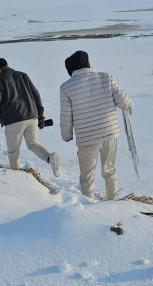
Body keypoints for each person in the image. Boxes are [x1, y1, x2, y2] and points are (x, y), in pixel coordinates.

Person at [59, 51, 133, 199]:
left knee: (87, 177)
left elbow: (66, 116)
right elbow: (123, 101)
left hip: (87, 137)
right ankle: (113, 199)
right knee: (109, 170)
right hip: (109, 133)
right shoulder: (106, 78)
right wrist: (129, 107)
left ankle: (88, 205)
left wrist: (66, 135)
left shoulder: (66, 87)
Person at [0, 58, 61, 177]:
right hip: (32, 117)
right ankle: (50, 157)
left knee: (13, 150)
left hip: (13, 120)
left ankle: (16, 177)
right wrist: (40, 112)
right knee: (33, 144)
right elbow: (36, 94)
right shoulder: (23, 75)